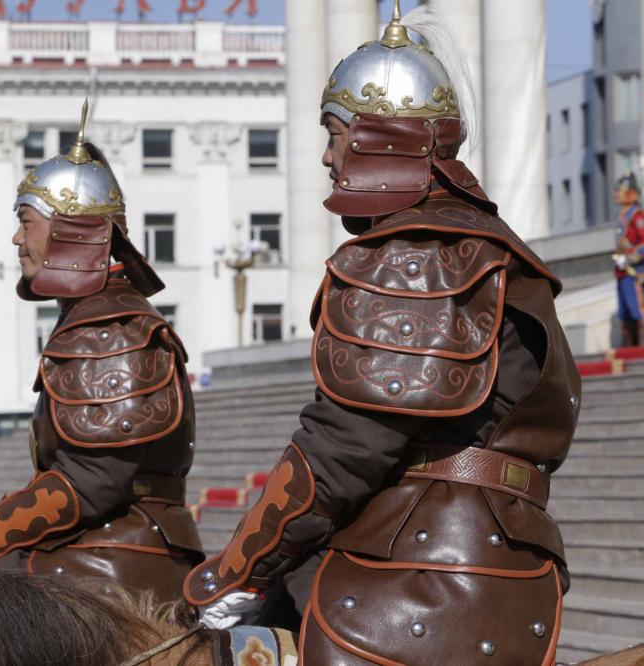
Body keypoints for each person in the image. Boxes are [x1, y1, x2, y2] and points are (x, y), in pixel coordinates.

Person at [183, 4, 581, 664]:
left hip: (418, 579)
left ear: (381, 137)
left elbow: (341, 450)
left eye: (335, 132)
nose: (326, 155)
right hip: (491, 565)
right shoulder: (489, 242)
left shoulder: (415, 253)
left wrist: (233, 573)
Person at [0, 101, 204, 602]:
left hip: (115, 568)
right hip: (96, 551)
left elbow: (90, 482)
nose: (16, 238)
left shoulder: (109, 328)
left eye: (26, 222)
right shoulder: (95, 315)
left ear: (69, 230)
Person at [612, 173, 644, 347]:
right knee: (625, 313)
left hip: (635, 271)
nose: (616, 194)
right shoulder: (621, 215)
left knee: (638, 310)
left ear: (631, 192)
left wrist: (630, 258)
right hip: (622, 271)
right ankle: (629, 347)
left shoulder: (637, 215)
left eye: (620, 190)